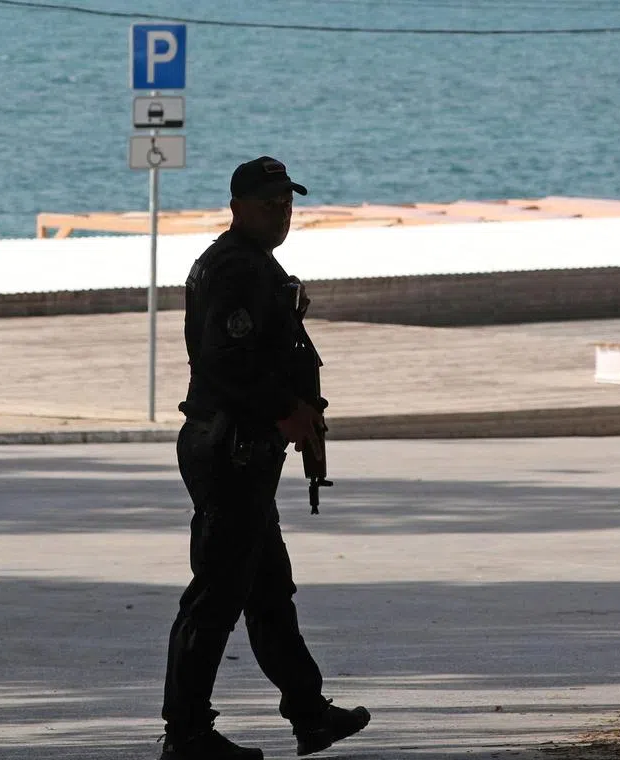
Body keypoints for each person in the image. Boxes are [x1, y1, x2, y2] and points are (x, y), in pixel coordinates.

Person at [158, 157, 371, 760]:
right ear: (238, 207)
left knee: (269, 589)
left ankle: (308, 711)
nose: (282, 213)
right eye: (269, 203)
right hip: (231, 448)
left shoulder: (251, 263)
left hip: (247, 449)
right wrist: (287, 409)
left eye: (287, 203)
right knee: (216, 595)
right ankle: (187, 734)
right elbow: (226, 363)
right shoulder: (232, 268)